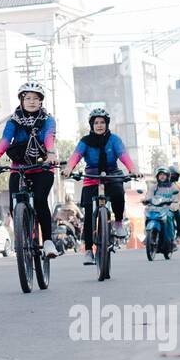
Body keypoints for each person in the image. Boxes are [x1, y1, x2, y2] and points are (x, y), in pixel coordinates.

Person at [0, 81, 59, 258]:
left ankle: (48, 242)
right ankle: (23, 237)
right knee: (14, 204)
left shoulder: (48, 120)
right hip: (19, 168)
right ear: (21, 100)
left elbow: (48, 137)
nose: (31, 101)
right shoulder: (13, 121)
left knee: (40, 200)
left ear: (41, 101)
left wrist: (51, 154)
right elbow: (6, 140)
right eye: (27, 98)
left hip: (42, 167)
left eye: (36, 98)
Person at [65, 107, 139, 265]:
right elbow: (76, 156)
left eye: (102, 122)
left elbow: (123, 155)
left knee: (119, 192)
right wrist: (69, 168)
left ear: (107, 124)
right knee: (88, 215)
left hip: (112, 174)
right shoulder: (85, 141)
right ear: (91, 125)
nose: (99, 125)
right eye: (96, 122)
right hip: (91, 177)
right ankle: (88, 252)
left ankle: (118, 223)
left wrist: (133, 169)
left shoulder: (114, 140)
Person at [168, 164, 180, 240]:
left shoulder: (177, 185)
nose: (173, 176)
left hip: (175, 206)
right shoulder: (161, 184)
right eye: (171, 175)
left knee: (179, 213)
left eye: (174, 175)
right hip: (163, 206)